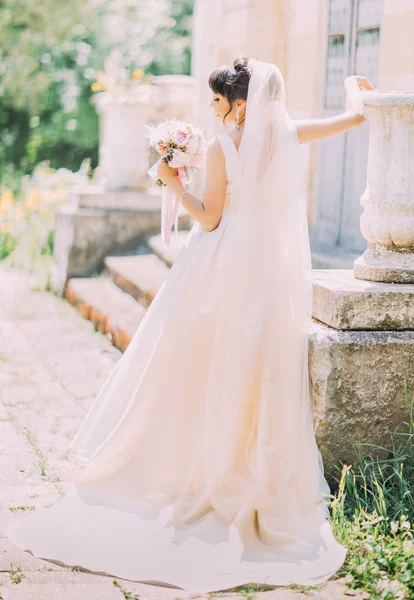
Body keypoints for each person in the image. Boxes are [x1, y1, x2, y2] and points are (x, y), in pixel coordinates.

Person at [7, 57, 374, 594]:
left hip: (223, 267)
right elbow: (352, 121)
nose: (212, 108)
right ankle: (247, 464)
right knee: (255, 369)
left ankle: (200, 468)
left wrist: (171, 180)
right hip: (268, 276)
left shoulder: (226, 147)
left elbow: (209, 217)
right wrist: (353, 90)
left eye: (218, 100)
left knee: (198, 366)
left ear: (240, 105)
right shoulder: (289, 134)